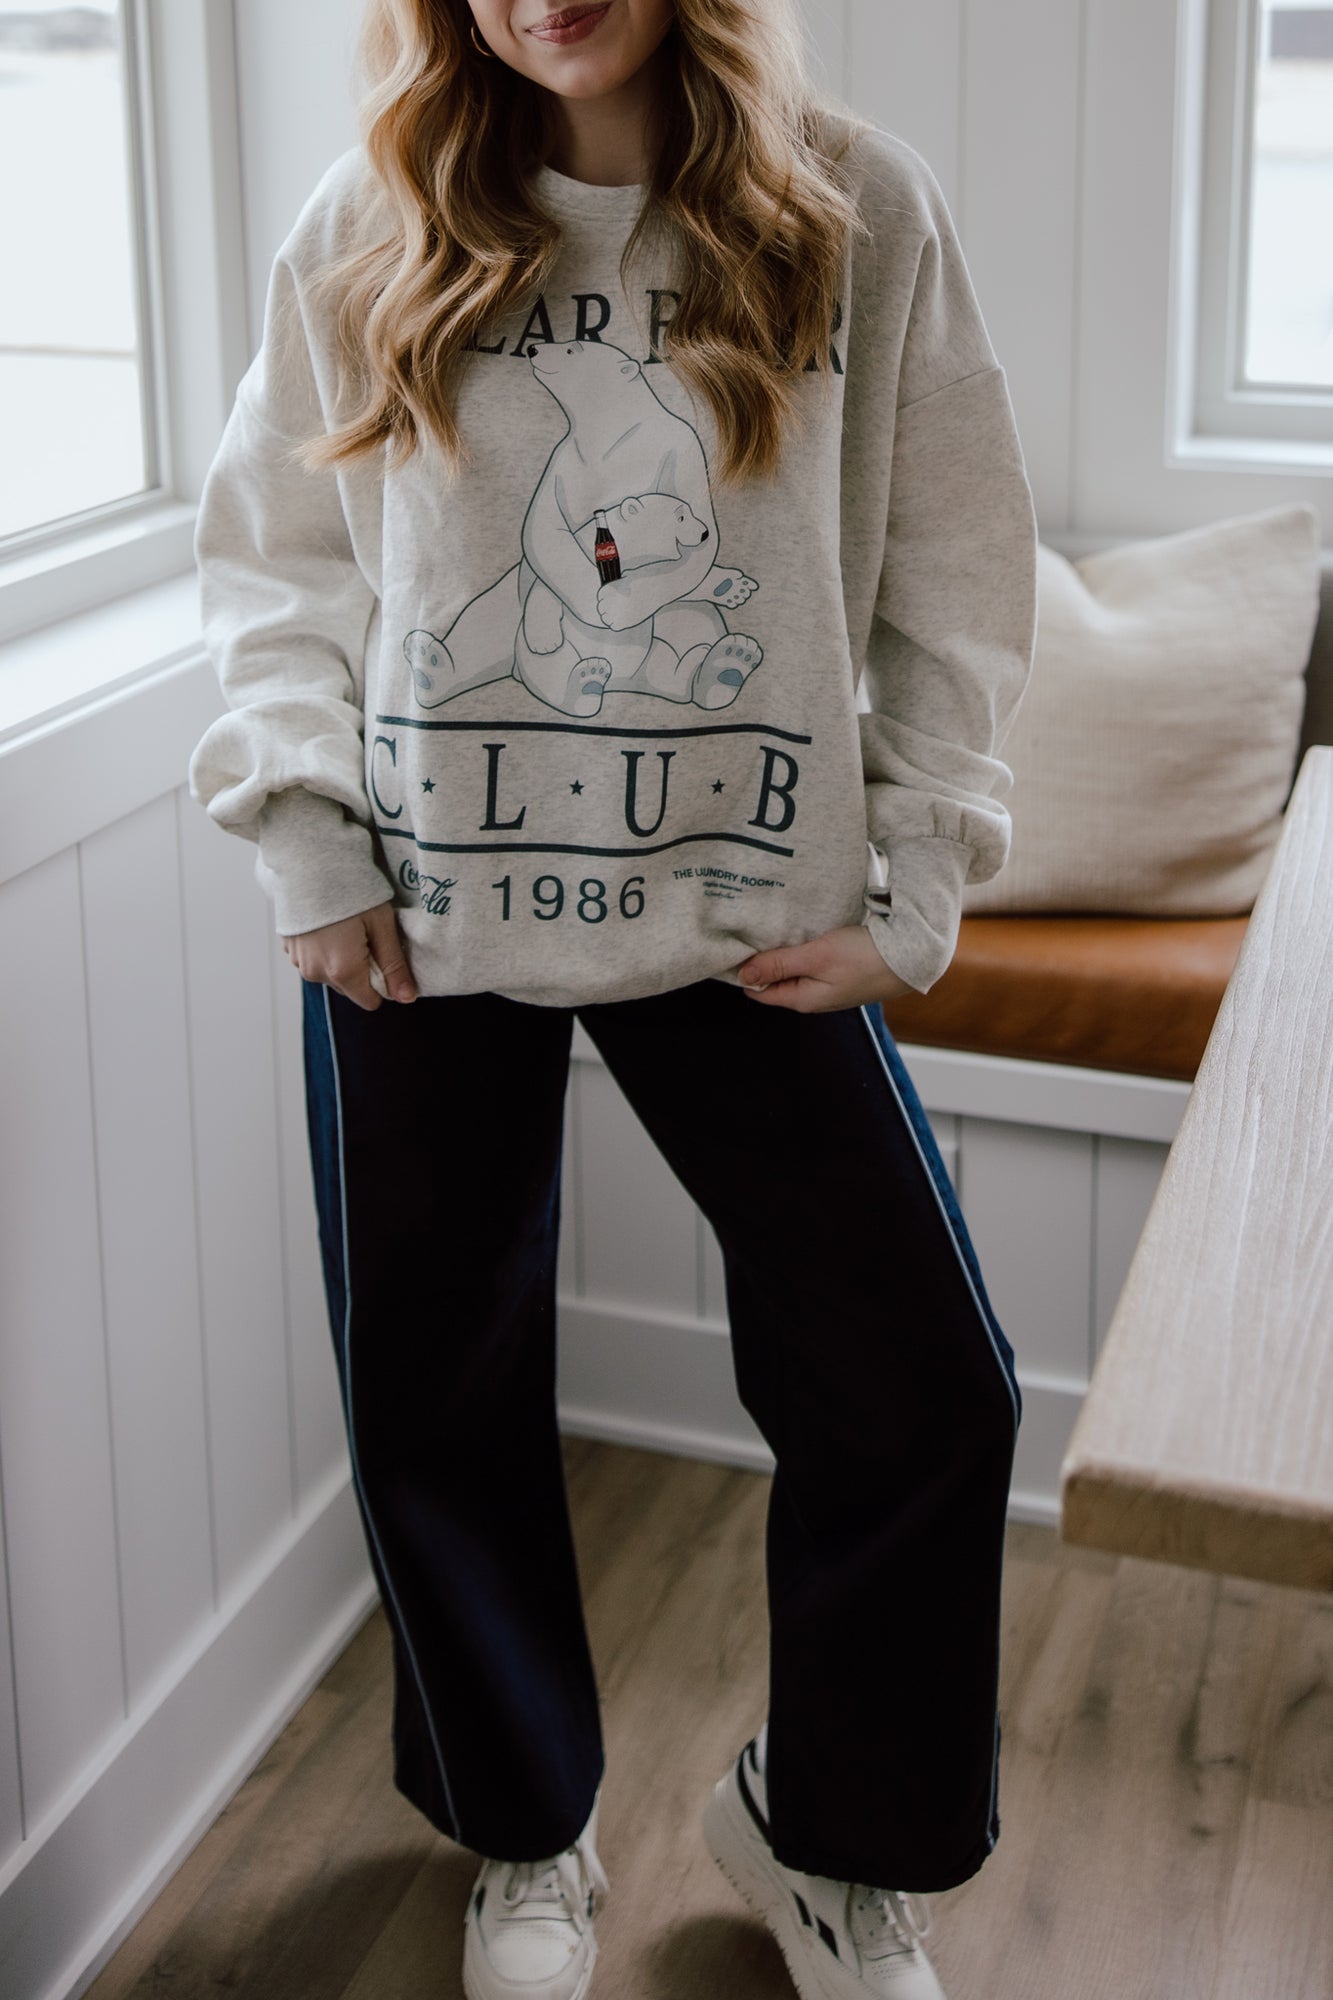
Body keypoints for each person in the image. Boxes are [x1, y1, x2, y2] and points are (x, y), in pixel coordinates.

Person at [186, 3, 1038, 1996]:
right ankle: (523, 1829)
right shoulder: (376, 213)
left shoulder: (854, 207)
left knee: (924, 1382)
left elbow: (953, 558)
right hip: (420, 912)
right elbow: (277, 563)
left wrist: (921, 871)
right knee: (434, 1382)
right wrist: (305, 840)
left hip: (752, 903)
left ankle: (831, 1839)